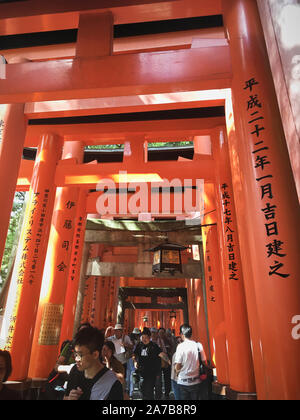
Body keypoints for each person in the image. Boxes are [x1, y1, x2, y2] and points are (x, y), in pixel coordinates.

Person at [64, 326, 123, 400]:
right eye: (75, 354)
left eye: (80, 355)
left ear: (95, 354)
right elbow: (65, 396)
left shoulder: (112, 384)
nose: (76, 359)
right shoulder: (75, 370)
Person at [133, 328, 170, 400]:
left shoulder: (154, 346)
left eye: (146, 337)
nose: (144, 339)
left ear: (149, 338)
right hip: (142, 371)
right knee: (143, 390)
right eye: (142, 337)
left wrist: (168, 361)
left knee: (150, 391)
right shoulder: (139, 345)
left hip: (153, 372)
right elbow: (134, 354)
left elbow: (162, 354)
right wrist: (135, 361)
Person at [174, 324, 207, 400]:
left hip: (183, 381)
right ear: (191, 334)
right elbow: (204, 361)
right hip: (196, 380)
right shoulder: (198, 345)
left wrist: (177, 371)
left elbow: (178, 365)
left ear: (182, 334)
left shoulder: (180, 347)